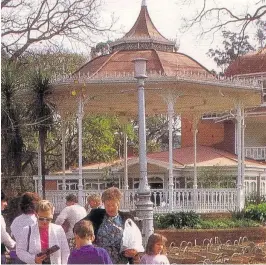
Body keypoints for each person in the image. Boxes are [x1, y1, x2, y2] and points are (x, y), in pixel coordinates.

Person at [84, 187, 143, 264]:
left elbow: (136, 240)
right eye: (107, 205)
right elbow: (78, 227)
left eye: (113, 205)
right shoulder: (96, 215)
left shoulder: (128, 218)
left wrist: (135, 251)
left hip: (121, 262)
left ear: (118, 203)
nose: (110, 208)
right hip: (100, 261)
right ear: (103, 204)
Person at [16, 200, 70, 264]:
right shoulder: (27, 230)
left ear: (52, 215)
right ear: (36, 215)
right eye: (41, 219)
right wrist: (33, 259)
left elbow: (65, 251)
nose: (45, 222)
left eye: (48, 219)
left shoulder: (58, 229)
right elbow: (20, 251)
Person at [1, 191, 16, 263]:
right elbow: (3, 235)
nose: (6, 204)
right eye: (4, 201)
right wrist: (13, 245)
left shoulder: (16, 220)